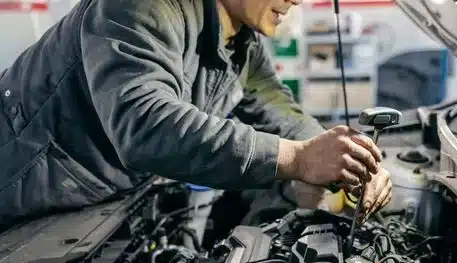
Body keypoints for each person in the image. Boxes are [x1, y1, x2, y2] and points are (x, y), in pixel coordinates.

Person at [0, 0, 392, 229]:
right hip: (17, 193)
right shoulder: (143, 5)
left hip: (88, 202)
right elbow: (145, 125)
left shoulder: (238, 43)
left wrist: (346, 159)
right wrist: (298, 158)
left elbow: (279, 110)